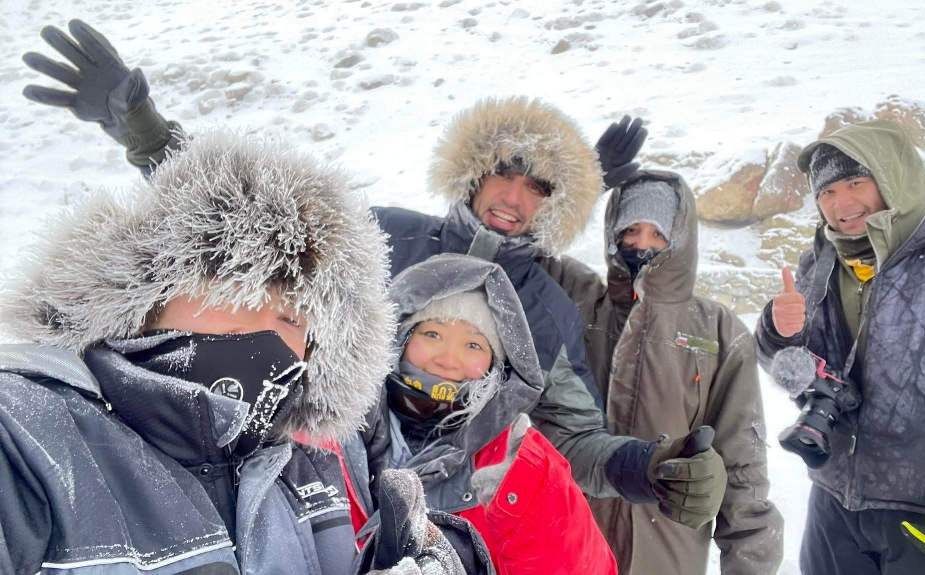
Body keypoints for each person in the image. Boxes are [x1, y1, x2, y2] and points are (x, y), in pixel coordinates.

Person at [22, 19, 729, 529]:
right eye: (505, 173)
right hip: (311, 490)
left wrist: (644, 467)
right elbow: (257, 222)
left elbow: (572, 436)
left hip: (451, 525)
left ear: (554, 204)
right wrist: (147, 132)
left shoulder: (546, 303)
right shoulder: (385, 234)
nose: (514, 197)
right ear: (473, 171)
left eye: (538, 187)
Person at [0, 130, 481, 575]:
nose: (261, 327)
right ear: (149, 294)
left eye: (294, 317)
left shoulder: (304, 469)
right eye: (238, 286)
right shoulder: (31, 434)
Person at [755, 120, 925, 575]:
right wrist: (779, 333)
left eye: (855, 183)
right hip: (835, 503)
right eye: (826, 192)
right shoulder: (821, 262)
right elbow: (796, 371)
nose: (841, 204)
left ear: (892, 177)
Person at [541, 170, 782, 574]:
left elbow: (743, 469)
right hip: (568, 547)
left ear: (681, 237)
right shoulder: (576, 301)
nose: (642, 244)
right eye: (630, 230)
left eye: (657, 233)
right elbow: (512, 240)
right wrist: (581, 179)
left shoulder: (719, 331)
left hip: (667, 555)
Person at [346, 253, 617, 574]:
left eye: (473, 345)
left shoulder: (521, 462)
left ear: (495, 366)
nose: (449, 359)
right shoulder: (330, 433)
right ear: (398, 340)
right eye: (432, 334)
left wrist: (516, 491)